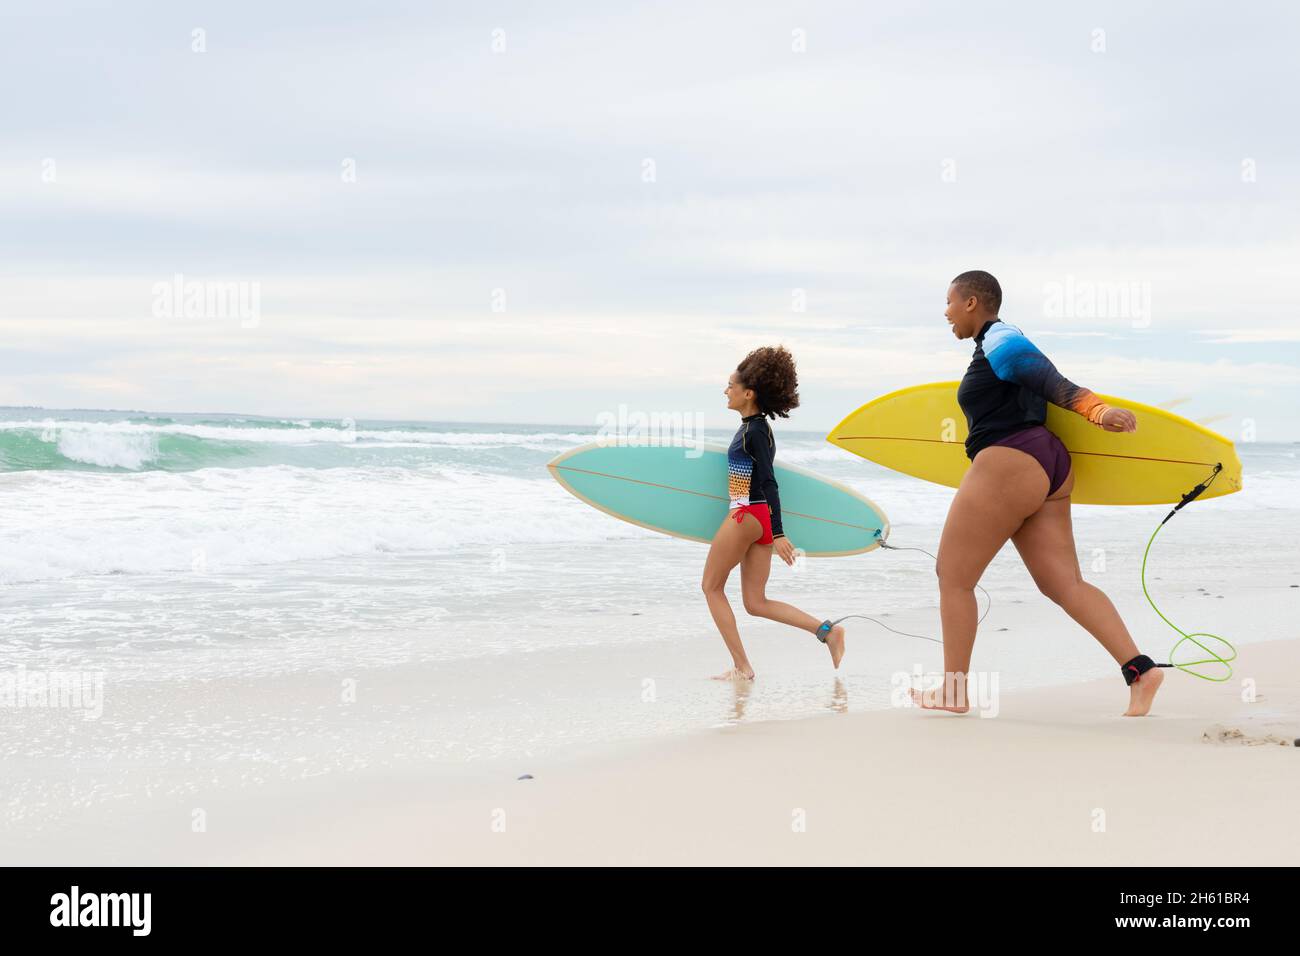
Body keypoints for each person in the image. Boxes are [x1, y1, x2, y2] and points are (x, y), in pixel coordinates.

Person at [913, 270, 1164, 716]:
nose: (946, 312)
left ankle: (953, 691)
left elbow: (1049, 379)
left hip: (1010, 460)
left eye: (950, 302)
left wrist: (1096, 409)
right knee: (1063, 583)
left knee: (953, 578)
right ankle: (1140, 670)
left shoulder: (999, 337)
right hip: (1048, 463)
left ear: (972, 302)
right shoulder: (994, 344)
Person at [701, 346, 846, 680]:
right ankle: (827, 632)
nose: (726, 391)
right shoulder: (756, 428)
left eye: (730, 386)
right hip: (757, 519)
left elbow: (768, 481)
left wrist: (779, 533)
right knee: (756, 602)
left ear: (748, 393)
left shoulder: (754, 433)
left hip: (746, 514)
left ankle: (742, 667)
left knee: (711, 587)